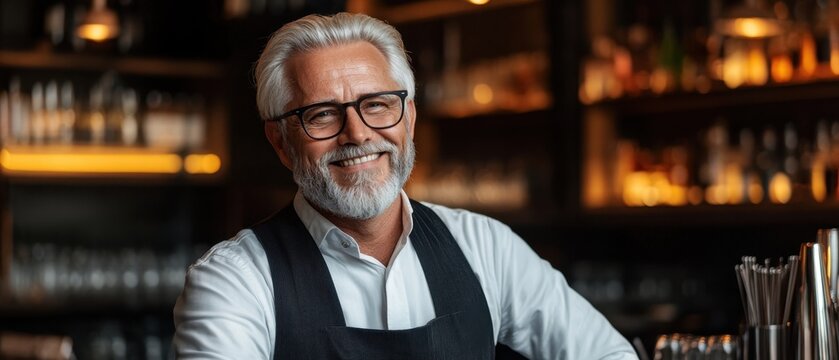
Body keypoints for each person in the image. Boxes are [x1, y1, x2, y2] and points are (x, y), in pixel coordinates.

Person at [173, 12, 637, 360]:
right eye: (321, 114)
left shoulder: (484, 248)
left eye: (376, 105)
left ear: (409, 118)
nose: (357, 134)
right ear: (280, 141)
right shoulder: (234, 281)